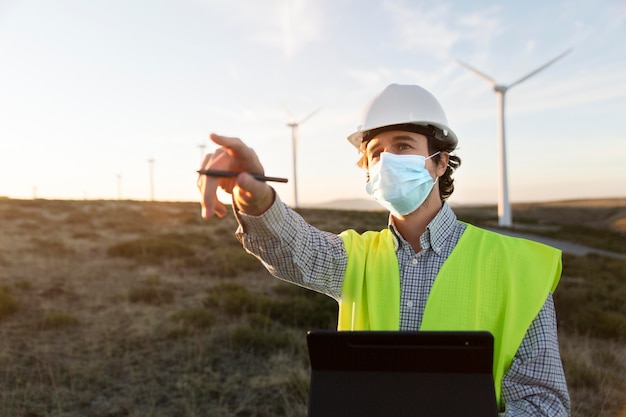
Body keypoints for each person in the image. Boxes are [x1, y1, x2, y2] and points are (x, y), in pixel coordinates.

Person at [197, 83, 570, 416]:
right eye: (376, 153)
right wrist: (255, 195)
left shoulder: (518, 267)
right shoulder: (355, 257)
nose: (387, 161)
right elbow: (296, 251)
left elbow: (543, 405)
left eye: (403, 146)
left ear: (440, 162)